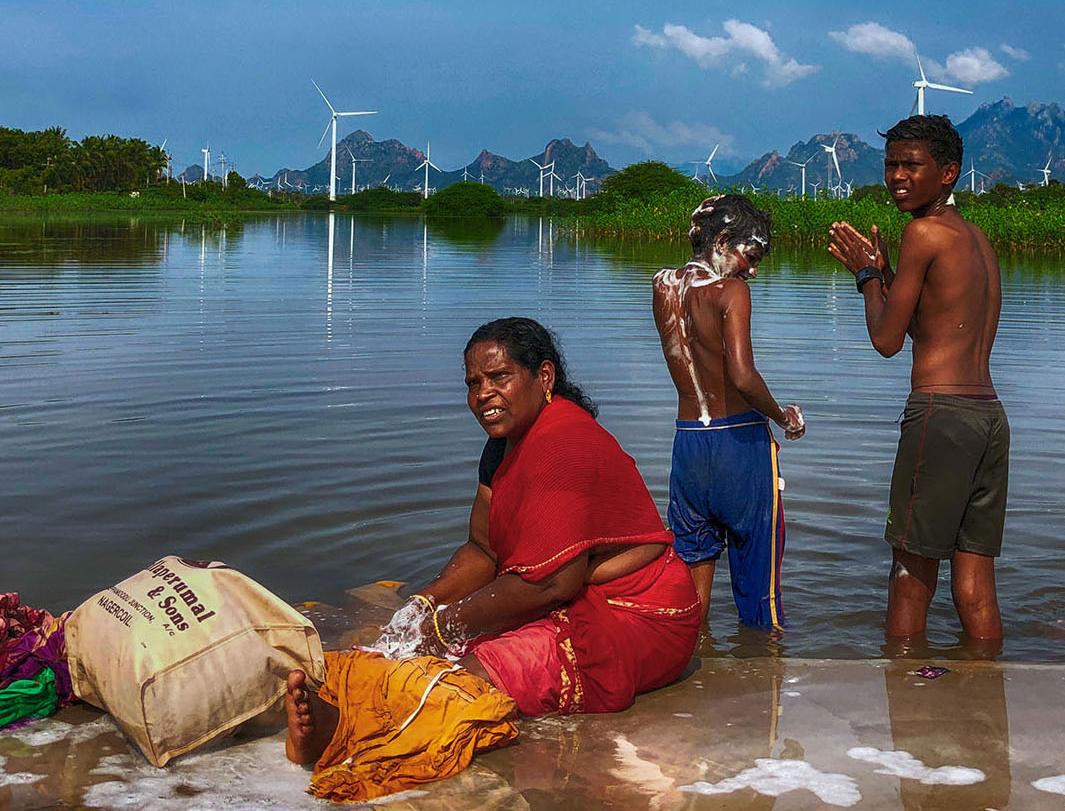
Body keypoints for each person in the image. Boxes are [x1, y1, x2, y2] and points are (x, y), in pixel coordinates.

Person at [286, 318, 702, 793]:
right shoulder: (503, 445)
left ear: (544, 377)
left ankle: (338, 727)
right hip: (569, 594)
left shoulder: (565, 444)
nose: (483, 394)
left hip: (641, 616)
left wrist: (444, 626)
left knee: (475, 671)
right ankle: (352, 704)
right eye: (473, 383)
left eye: (499, 377)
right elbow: (483, 550)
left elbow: (553, 583)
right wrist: (423, 604)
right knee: (414, 642)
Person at [827, 114, 1006, 642]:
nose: (897, 177)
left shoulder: (922, 233)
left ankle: (902, 680)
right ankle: (986, 676)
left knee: (910, 571)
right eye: (890, 165)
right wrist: (887, 276)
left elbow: (886, 340)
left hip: (940, 416)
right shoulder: (977, 240)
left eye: (911, 165)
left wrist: (866, 278)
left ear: (948, 173)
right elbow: (928, 329)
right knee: (975, 580)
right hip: (989, 418)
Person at [652, 194, 806, 630]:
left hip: (689, 446)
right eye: (751, 257)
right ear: (722, 241)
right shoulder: (731, 291)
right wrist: (784, 418)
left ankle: (695, 663)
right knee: (761, 595)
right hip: (738, 445)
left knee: (690, 593)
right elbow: (742, 376)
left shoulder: (662, 285)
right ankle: (765, 664)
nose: (752, 271)